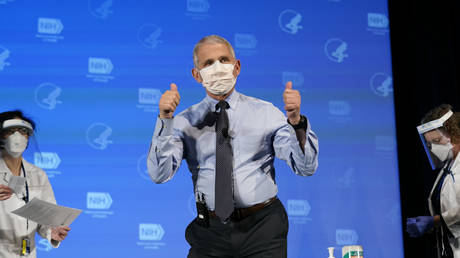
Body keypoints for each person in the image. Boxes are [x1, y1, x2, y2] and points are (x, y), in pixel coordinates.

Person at [147, 35, 319, 257]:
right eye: (208, 63)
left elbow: (305, 167)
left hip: (263, 227)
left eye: (223, 60)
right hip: (210, 232)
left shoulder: (266, 113)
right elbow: (159, 174)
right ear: (196, 74)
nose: (217, 67)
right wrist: (165, 120)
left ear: (236, 67)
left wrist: (296, 122)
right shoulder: (183, 121)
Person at [0, 110, 70, 258]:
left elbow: (48, 218)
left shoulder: (38, 175)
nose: (17, 136)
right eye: (11, 131)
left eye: (23, 131)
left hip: (27, 253)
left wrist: (52, 231)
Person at [407, 104, 460, 258]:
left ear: (453, 134)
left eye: (437, 141)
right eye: (430, 144)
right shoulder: (448, 167)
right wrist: (429, 224)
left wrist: (434, 221)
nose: (433, 149)